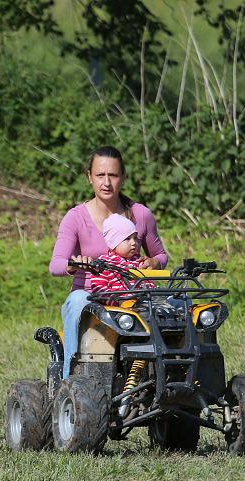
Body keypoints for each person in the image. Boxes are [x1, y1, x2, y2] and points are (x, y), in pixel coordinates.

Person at [49, 146, 167, 378]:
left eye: (112, 175)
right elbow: (55, 265)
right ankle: (71, 381)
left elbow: (161, 256)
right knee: (78, 298)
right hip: (90, 298)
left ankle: (171, 378)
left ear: (123, 177)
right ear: (89, 177)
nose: (106, 182)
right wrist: (73, 264)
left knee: (175, 303)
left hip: (132, 297)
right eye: (100, 175)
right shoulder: (76, 217)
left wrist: (154, 262)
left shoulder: (141, 214)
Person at [87, 214, 156, 306]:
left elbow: (148, 282)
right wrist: (116, 301)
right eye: (127, 239)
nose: (133, 243)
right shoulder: (103, 263)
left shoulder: (139, 261)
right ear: (113, 242)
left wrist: (148, 296)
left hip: (140, 306)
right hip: (114, 308)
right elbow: (99, 289)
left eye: (135, 238)